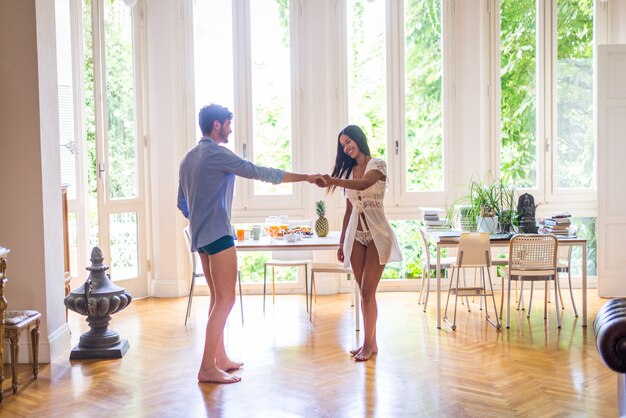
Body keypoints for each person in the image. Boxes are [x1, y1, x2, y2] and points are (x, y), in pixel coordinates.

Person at [178, 104, 324, 384]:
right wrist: (305, 177)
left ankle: (219, 359)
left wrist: (198, 216)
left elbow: (180, 202)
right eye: (228, 124)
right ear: (217, 125)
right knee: (227, 299)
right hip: (219, 234)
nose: (231, 129)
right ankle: (207, 367)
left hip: (201, 237)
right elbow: (260, 172)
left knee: (216, 299)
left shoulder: (187, 160)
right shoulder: (217, 154)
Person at [318, 124, 402, 361]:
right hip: (356, 235)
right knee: (364, 293)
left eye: (348, 142)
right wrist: (341, 241)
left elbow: (365, 184)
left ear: (358, 139)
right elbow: (348, 210)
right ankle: (371, 343)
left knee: (367, 291)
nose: (346, 148)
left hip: (378, 234)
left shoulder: (378, 165)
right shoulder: (347, 172)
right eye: (342, 145)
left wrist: (333, 180)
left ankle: (367, 344)